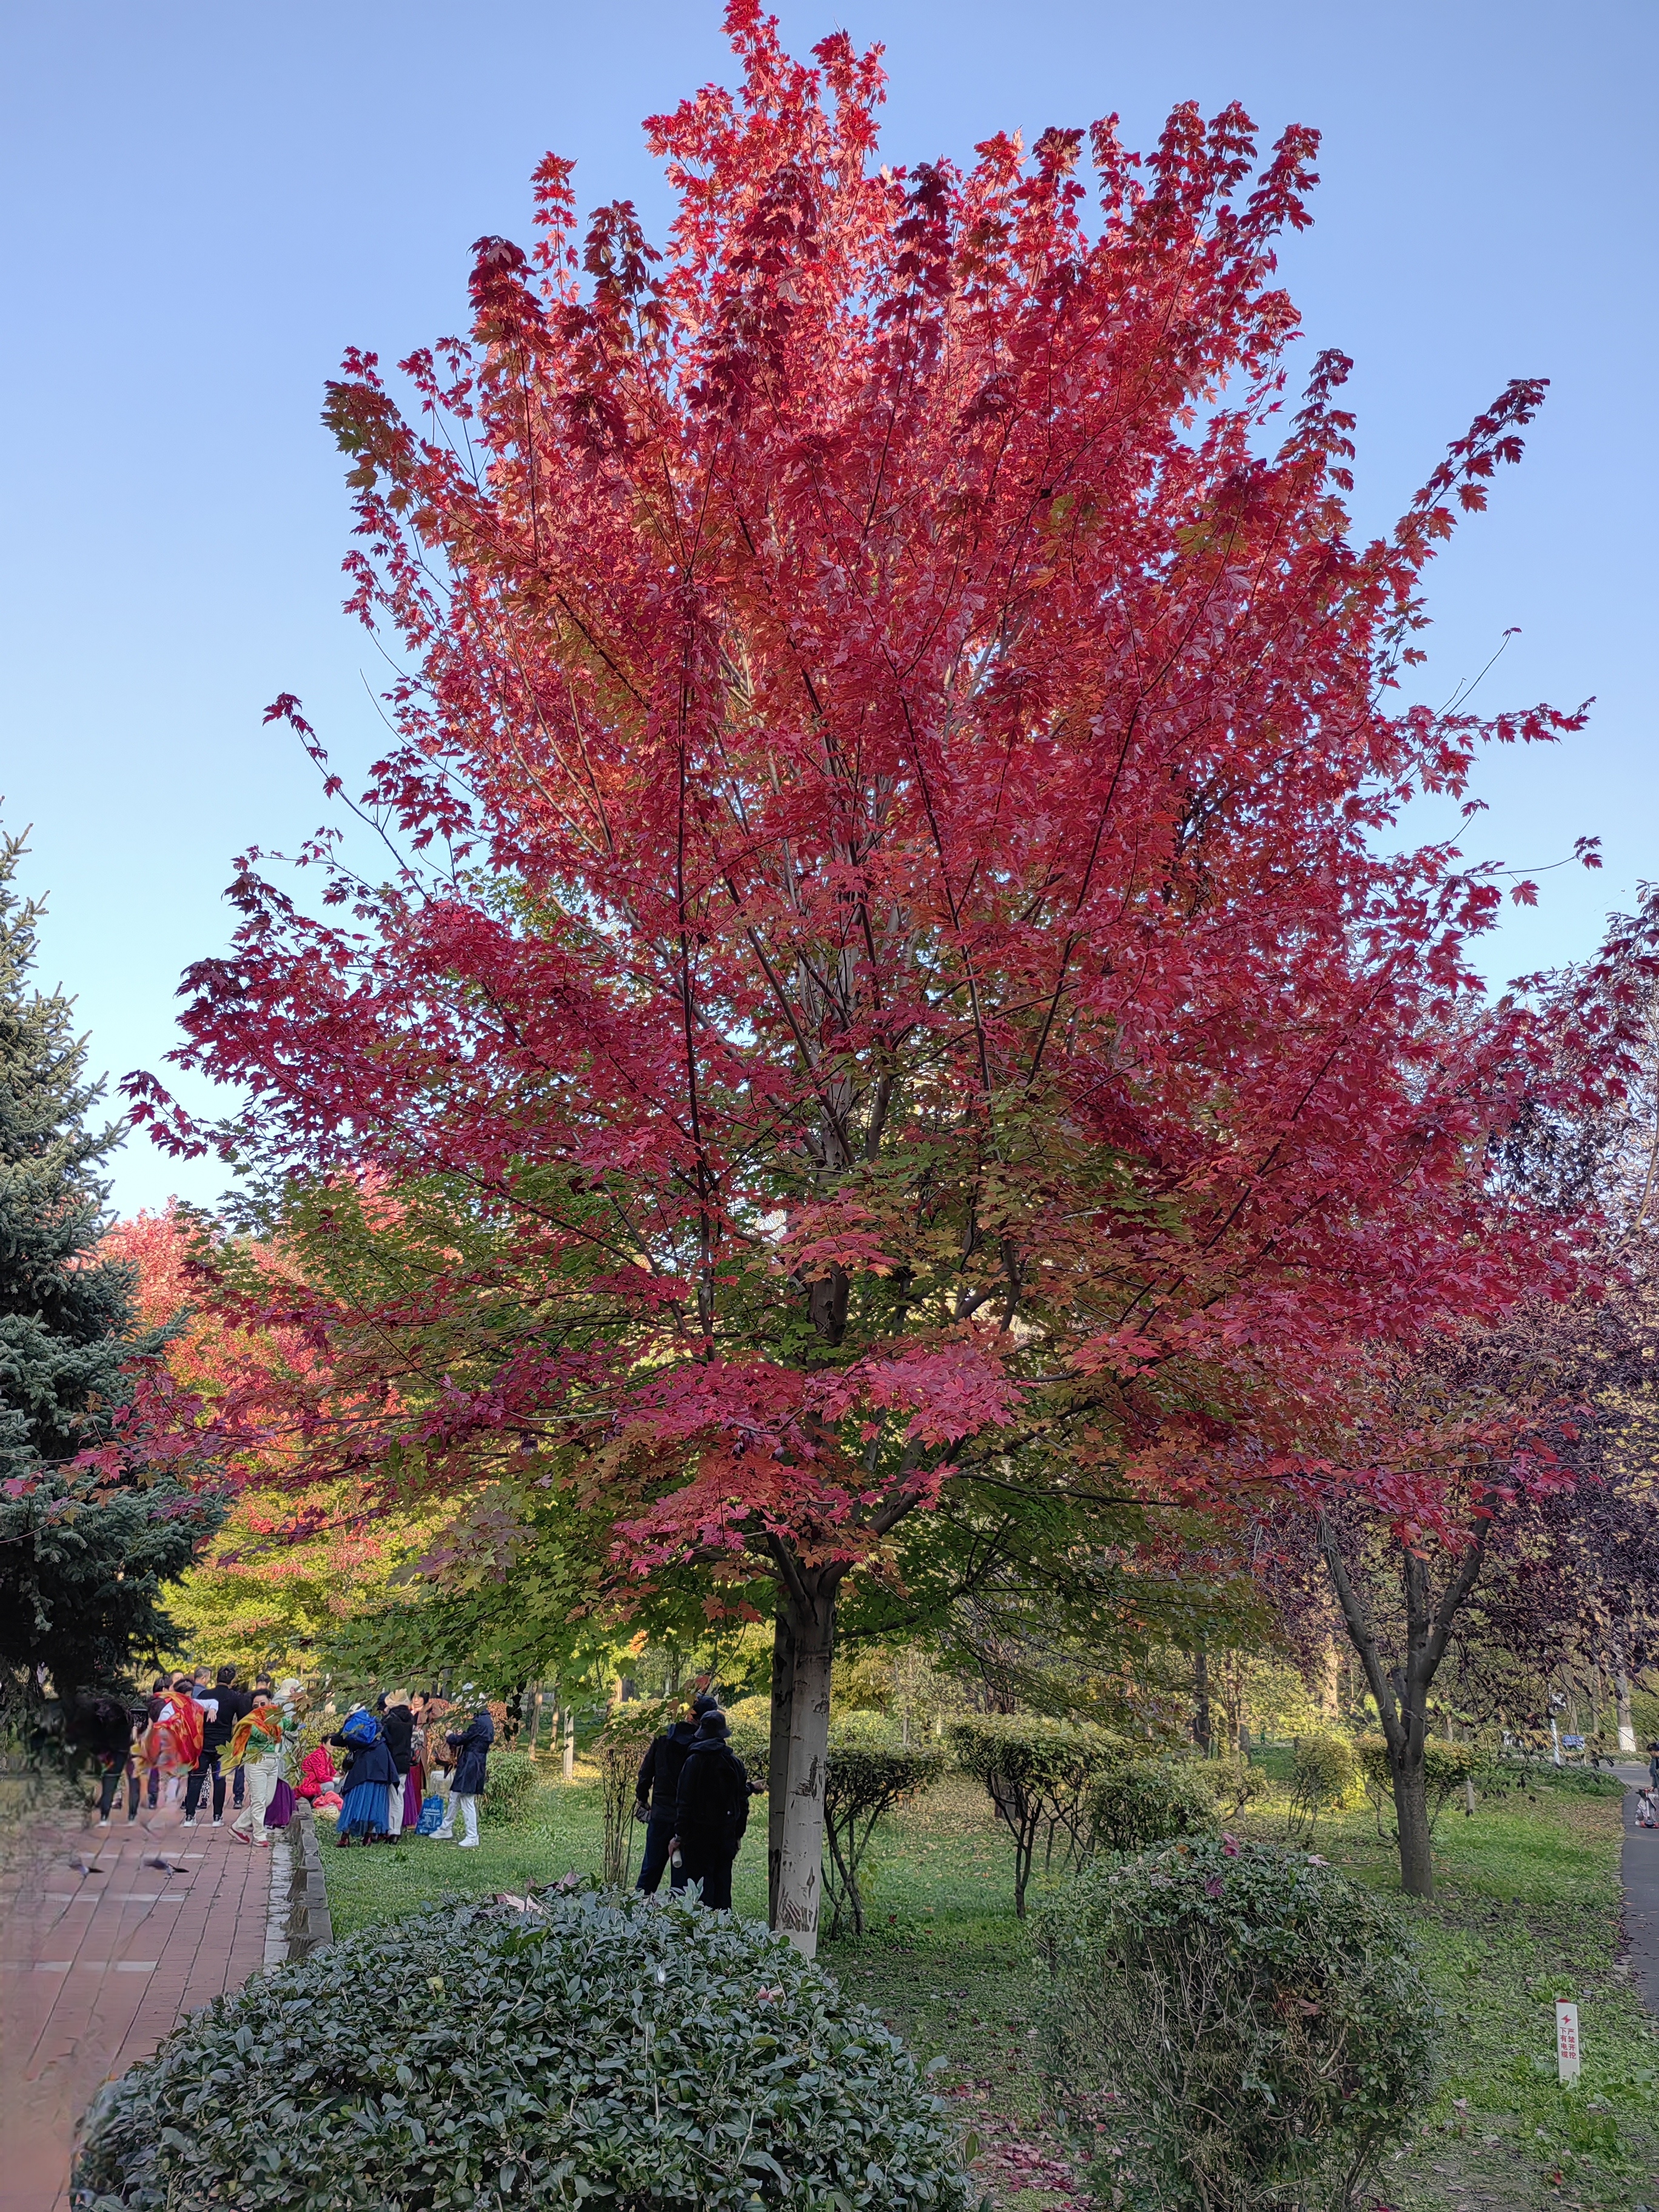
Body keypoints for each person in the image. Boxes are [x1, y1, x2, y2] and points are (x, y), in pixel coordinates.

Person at [669, 1708, 753, 1911]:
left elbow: (684, 1803)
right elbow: (742, 1801)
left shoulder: (693, 1762)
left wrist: (679, 1836)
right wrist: (737, 1835)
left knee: (697, 1888)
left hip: (697, 1837)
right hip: (725, 1835)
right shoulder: (734, 1763)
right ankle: (725, 1930)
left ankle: (702, 1933)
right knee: (722, 1885)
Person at [635, 1694, 719, 1894]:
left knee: (650, 1870)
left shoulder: (663, 1735)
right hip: (688, 1820)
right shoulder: (703, 1746)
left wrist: (642, 1797)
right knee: (683, 1878)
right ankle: (678, 1919)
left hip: (661, 1815)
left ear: (690, 1714)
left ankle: (636, 1911)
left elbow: (646, 1771)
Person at [184, 1664, 247, 1828]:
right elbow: (242, 1721)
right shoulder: (235, 1698)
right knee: (220, 1780)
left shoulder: (205, 1694)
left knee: (197, 1778)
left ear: (216, 1677)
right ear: (232, 1680)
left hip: (204, 1742)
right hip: (224, 1743)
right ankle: (217, 1817)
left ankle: (190, 1816)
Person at [226, 1687, 284, 1847]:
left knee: (267, 1800)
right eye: (256, 1705)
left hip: (273, 1763)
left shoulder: (279, 1716)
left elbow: (291, 1728)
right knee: (259, 1800)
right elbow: (263, 1735)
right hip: (256, 1763)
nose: (259, 1707)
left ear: (271, 1702)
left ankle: (238, 1827)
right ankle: (260, 1835)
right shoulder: (252, 1721)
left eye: (263, 1703)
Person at [332, 1708, 399, 1845]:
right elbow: (391, 1741)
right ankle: (368, 1836)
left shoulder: (352, 1722)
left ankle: (345, 1836)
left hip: (362, 1762)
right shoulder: (376, 1722)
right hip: (381, 1761)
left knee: (354, 1797)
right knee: (375, 1799)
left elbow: (336, 1741)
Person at [434, 1704, 493, 1847]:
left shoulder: (478, 1722)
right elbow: (470, 1738)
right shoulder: (485, 1720)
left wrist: (450, 1735)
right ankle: (446, 1828)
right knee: (455, 1795)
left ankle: (472, 1836)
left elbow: (461, 1740)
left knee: (467, 1799)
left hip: (472, 1763)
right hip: (472, 1761)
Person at [381, 1692, 416, 1838]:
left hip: (391, 1760)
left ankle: (392, 1829)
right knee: (399, 1795)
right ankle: (396, 1829)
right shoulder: (410, 1719)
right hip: (404, 1760)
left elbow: (385, 1740)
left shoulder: (390, 1720)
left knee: (391, 1796)